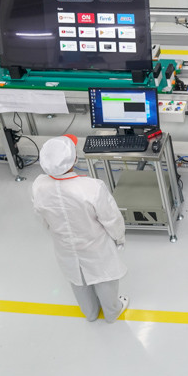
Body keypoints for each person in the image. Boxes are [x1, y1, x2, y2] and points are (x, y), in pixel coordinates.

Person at [31, 134, 130, 323]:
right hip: (95, 244)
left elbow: (42, 217)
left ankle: (90, 313)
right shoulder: (92, 187)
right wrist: (119, 237)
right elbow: (110, 218)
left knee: (77, 279)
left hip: (64, 245)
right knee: (104, 277)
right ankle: (112, 312)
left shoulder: (38, 186)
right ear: (74, 159)